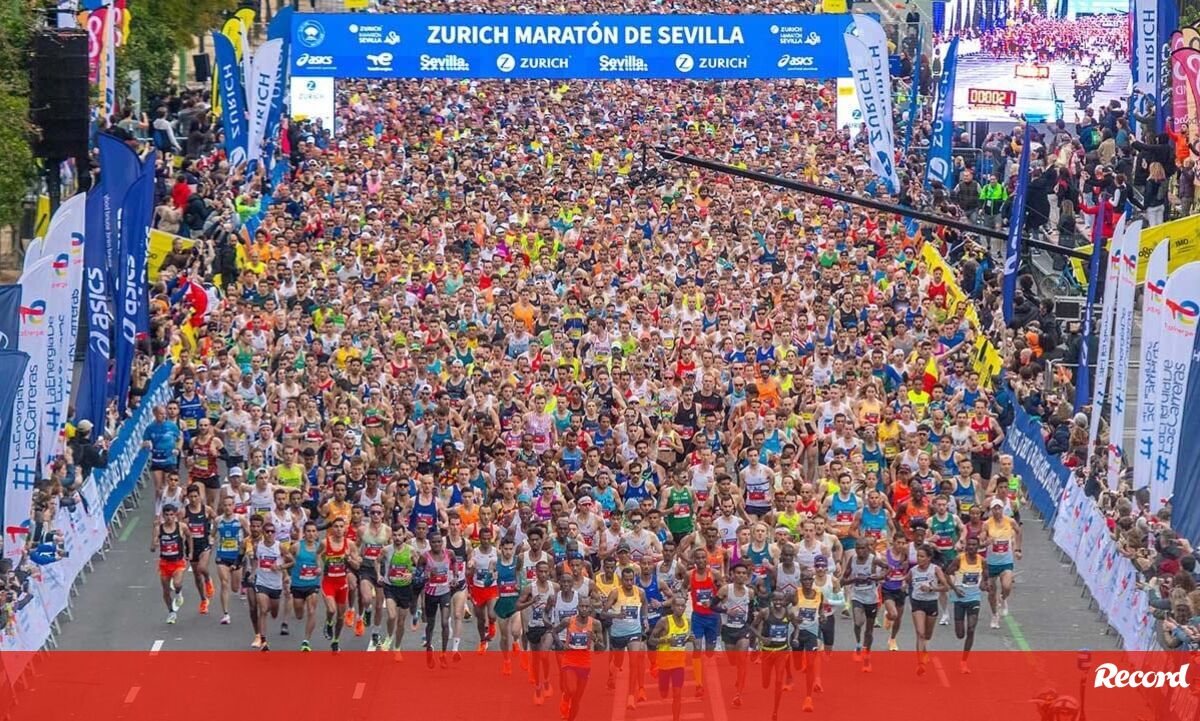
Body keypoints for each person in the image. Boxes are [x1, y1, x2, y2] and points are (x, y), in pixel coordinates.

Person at [908, 544, 951, 675]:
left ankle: (924, 649)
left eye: (922, 556)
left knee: (927, 635)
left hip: (931, 603)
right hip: (917, 603)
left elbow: (946, 587)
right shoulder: (913, 570)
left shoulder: (935, 569)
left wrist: (932, 588)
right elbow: (906, 581)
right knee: (920, 633)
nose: (919, 559)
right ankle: (920, 664)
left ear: (929, 558)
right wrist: (903, 585)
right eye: (918, 556)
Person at [948, 535, 988, 672]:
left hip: (974, 598)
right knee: (960, 634)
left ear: (978, 547)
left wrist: (984, 584)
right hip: (959, 599)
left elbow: (986, 576)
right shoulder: (959, 559)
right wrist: (955, 588)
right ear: (965, 546)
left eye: (974, 545)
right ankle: (961, 638)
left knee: (971, 629)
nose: (971, 547)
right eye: (969, 545)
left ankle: (964, 661)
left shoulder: (982, 561)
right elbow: (947, 574)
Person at [981, 497, 1022, 629]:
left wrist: (1017, 549)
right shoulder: (987, 524)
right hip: (992, 562)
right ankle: (994, 615)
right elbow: (981, 541)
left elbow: (1019, 532)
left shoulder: (1010, 521)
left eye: (999, 508)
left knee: (1007, 586)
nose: (997, 511)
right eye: (995, 508)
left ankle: (1003, 598)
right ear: (991, 510)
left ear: (1002, 509)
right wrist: (986, 542)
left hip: (1006, 560)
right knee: (991, 592)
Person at [151, 504, 191, 624]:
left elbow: (189, 537)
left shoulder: (181, 527)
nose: (169, 517)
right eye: (167, 515)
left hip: (178, 562)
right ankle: (171, 612)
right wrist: (155, 543)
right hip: (164, 563)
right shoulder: (159, 529)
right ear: (163, 516)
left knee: (177, 583)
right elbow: (152, 548)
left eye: (171, 515)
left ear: (175, 515)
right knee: (166, 590)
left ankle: (178, 593)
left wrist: (190, 551)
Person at [290, 520, 323, 651]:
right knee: (299, 613)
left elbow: (324, 561)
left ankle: (306, 641)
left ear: (317, 533)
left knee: (311, 610)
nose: (311, 534)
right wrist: (286, 575)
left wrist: (320, 569)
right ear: (304, 533)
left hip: (312, 584)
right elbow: (286, 559)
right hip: (297, 584)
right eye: (308, 531)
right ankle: (300, 610)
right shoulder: (297, 546)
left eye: (313, 531)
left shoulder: (320, 547)